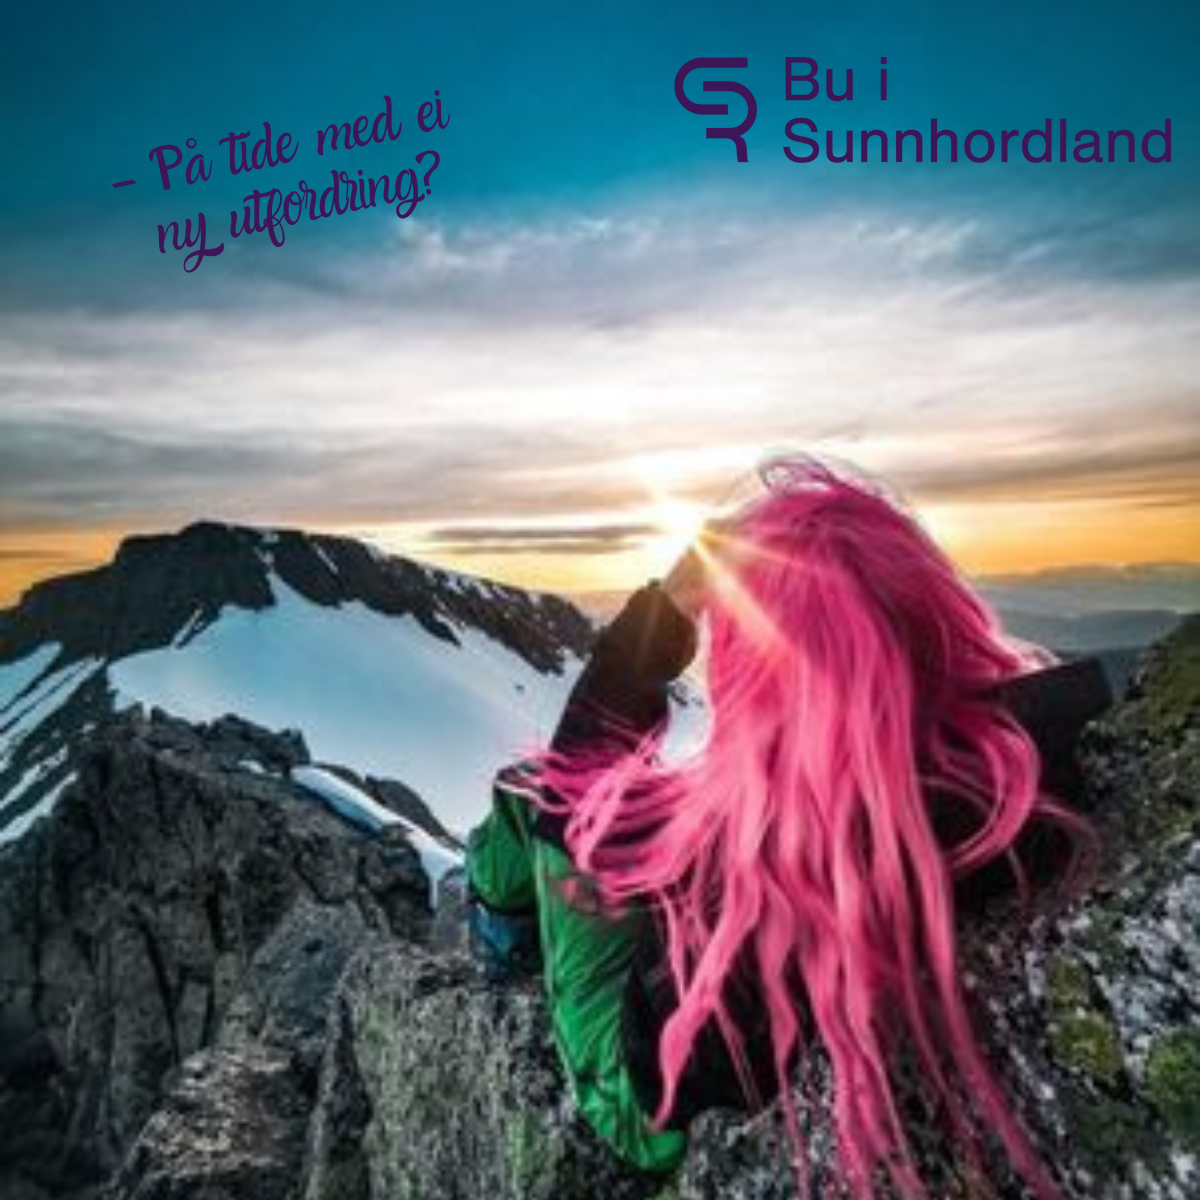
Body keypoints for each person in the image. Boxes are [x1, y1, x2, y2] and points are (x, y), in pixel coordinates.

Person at [465, 455, 1106, 1200]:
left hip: (636, 1087)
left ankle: (503, 944)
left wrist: (661, 621)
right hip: (800, 830)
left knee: (543, 800)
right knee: (598, 801)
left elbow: (652, 1078)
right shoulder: (1006, 759)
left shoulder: (798, 870)